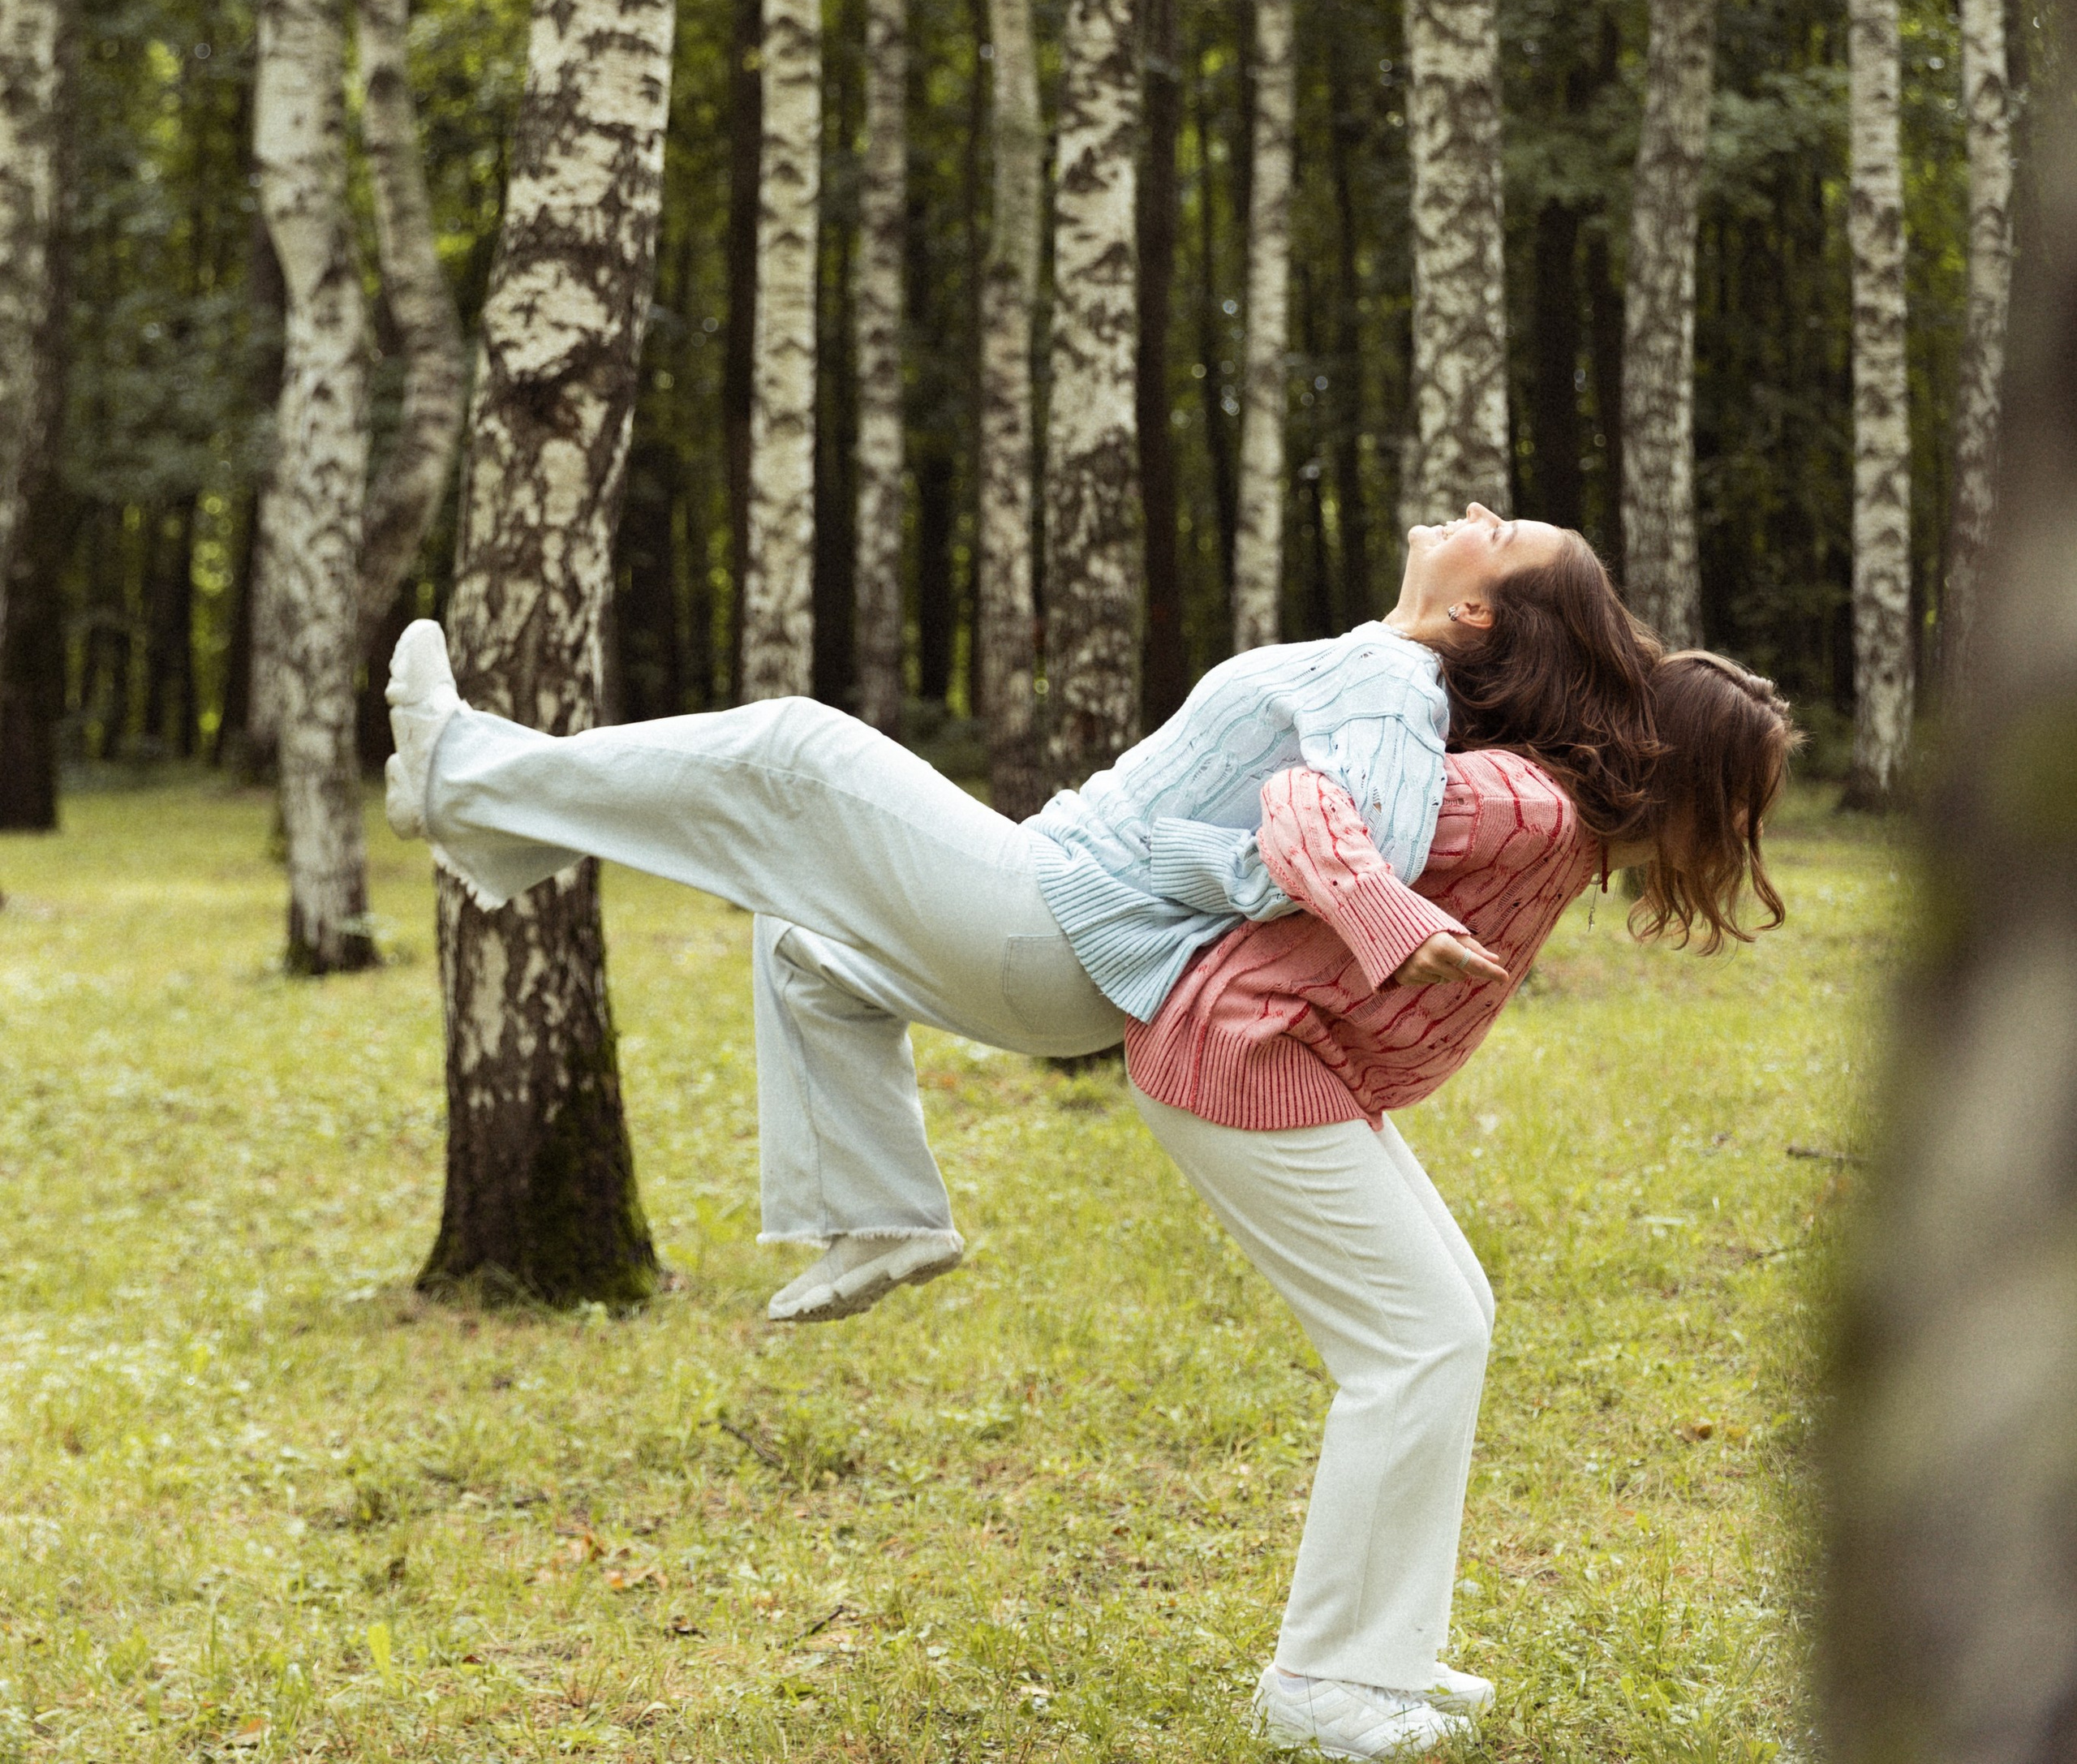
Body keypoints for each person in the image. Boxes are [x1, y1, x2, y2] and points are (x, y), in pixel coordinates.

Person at [384, 508, 1651, 1325]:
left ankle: (459, 777)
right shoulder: (1377, 667)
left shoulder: (1392, 681)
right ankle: (883, 1219)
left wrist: (1194, 863)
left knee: (789, 749)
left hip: (1058, 919)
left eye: (1505, 531)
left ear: (1477, 611)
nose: (1478, 510)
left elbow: (1327, 850)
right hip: (1056, 927)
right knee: (807, 933)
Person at [1130, 647, 1798, 1760]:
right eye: (1744, 796)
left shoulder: (1566, 841)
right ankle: (1318, 1683)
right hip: (1237, 1049)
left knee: (1454, 1320)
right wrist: (1384, 914)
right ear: (1688, 774)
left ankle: (1381, 1658)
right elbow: (1301, 795)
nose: (1747, 827)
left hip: (1298, 1060)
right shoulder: (1527, 807)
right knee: (1418, 1339)